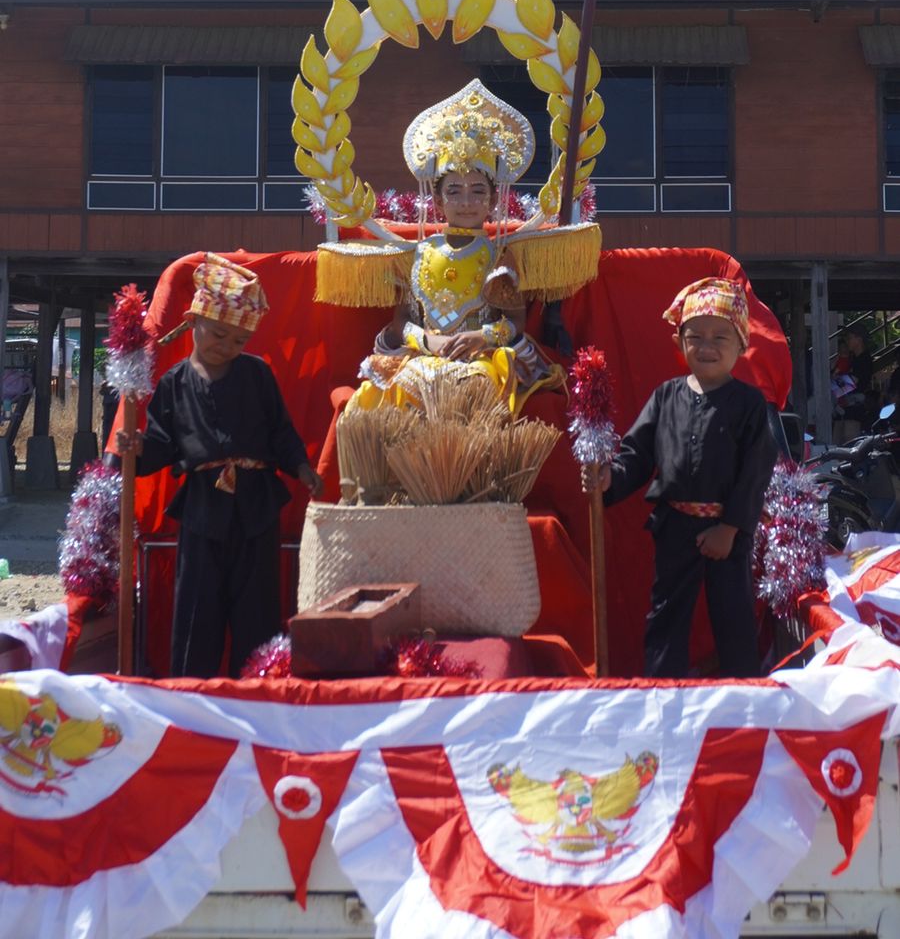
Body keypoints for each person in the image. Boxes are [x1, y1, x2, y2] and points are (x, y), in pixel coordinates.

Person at [317, 81, 599, 413]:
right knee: (390, 394)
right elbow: (402, 321)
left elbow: (515, 321)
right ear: (437, 199)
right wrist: (427, 341)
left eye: (477, 191)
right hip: (424, 357)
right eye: (454, 191)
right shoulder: (421, 253)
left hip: (480, 360)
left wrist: (481, 338)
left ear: (494, 199)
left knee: (473, 385)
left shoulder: (498, 256)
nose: (466, 202)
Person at [118, 254, 323, 678]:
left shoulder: (257, 375)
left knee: (258, 606)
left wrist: (300, 466)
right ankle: (193, 690)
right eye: (218, 334)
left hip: (256, 502)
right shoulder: (173, 383)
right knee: (197, 604)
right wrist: (135, 450)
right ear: (194, 322)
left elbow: (280, 431)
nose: (226, 346)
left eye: (238, 340)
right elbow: (160, 443)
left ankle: (258, 688)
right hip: (201, 506)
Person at [589, 277, 778, 679]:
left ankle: (742, 696)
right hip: (674, 525)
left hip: (727, 531)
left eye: (720, 338)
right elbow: (636, 454)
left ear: (742, 345)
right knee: (666, 615)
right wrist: (610, 479)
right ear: (680, 342)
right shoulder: (665, 396)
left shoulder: (749, 404)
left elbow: (755, 472)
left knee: (733, 615)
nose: (707, 347)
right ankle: (662, 691)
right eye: (696, 336)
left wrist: (729, 528)